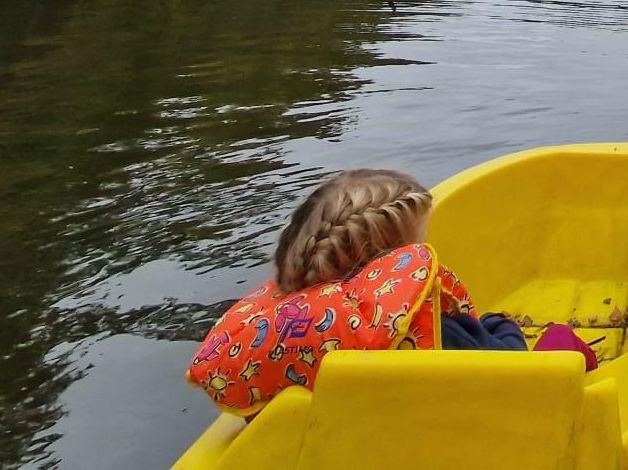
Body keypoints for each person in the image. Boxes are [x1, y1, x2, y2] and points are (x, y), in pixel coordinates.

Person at [186, 168, 595, 416]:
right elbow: (513, 370)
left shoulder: (286, 342)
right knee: (562, 342)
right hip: (473, 429)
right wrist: (500, 326)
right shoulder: (437, 334)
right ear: (394, 268)